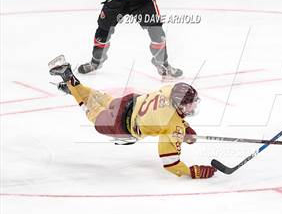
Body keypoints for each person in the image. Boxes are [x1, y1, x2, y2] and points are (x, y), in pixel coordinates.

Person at [48, 55, 215, 179]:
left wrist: (184, 129)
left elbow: (171, 116)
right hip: (119, 125)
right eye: (190, 104)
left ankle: (73, 88)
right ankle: (69, 79)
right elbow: (171, 163)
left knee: (95, 97)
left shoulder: (169, 90)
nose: (193, 106)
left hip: (127, 102)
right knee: (89, 106)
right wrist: (192, 171)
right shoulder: (172, 125)